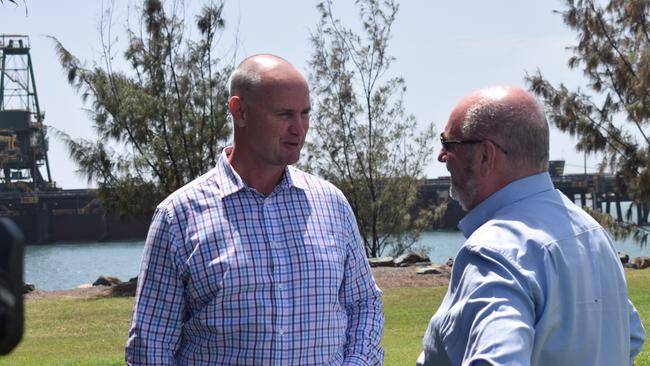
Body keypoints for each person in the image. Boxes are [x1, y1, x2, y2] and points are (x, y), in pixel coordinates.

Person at [125, 54, 384, 365]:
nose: (299, 128)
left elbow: (363, 303)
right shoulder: (178, 216)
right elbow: (151, 347)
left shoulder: (332, 205)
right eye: (284, 114)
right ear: (240, 111)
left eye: (305, 114)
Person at [417, 86, 646, 365]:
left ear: (485, 156)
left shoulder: (496, 250)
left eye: (449, 144)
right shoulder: (593, 233)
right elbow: (630, 337)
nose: (441, 157)